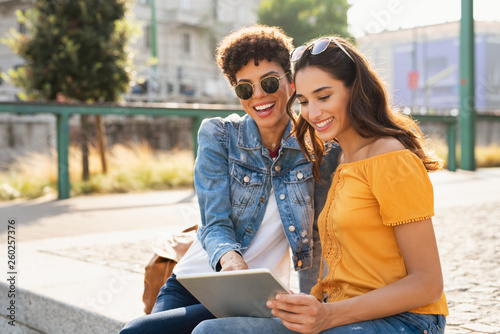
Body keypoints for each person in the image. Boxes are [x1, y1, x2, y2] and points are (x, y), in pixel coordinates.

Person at [191, 35, 449, 334]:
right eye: (303, 102)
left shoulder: (390, 157)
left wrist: (329, 315)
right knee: (212, 331)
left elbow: (428, 284)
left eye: (324, 97)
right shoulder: (334, 159)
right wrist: (311, 307)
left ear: (355, 91)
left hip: (406, 320)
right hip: (339, 313)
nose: (312, 113)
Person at [120, 25, 339, 334]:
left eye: (269, 82)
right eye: (245, 88)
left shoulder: (318, 148)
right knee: (140, 332)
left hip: (257, 297)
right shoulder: (219, 135)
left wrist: (314, 305)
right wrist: (231, 260)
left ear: (290, 82)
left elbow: (317, 237)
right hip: (195, 281)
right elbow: (214, 222)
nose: (259, 95)